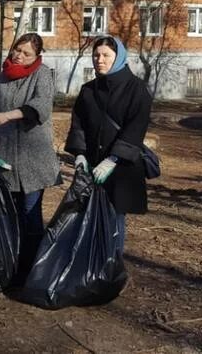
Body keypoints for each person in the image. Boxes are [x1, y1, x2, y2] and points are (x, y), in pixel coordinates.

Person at [64, 36, 152, 252]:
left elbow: (136, 126)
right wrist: (80, 154)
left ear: (118, 57)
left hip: (121, 167)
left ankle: (112, 264)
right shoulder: (88, 89)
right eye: (96, 55)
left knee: (113, 220)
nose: (99, 60)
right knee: (86, 219)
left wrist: (114, 159)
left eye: (106, 55)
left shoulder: (136, 89)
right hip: (91, 166)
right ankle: (89, 264)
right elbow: (78, 124)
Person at [0, 33, 59, 271]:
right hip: (6, 159)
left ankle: (33, 268)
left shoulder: (42, 74)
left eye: (27, 54)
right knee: (10, 215)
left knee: (30, 214)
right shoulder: (1, 78)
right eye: (17, 50)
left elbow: (41, 107)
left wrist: (9, 115)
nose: (19, 56)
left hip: (34, 160)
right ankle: (12, 265)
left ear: (37, 56)